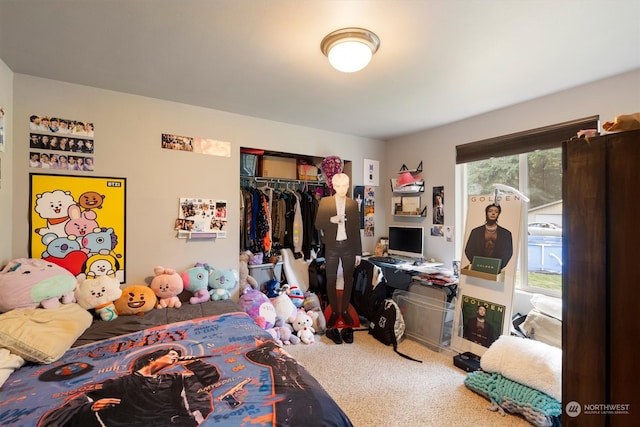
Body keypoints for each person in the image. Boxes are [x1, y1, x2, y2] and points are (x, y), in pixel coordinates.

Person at [39, 347, 220, 426]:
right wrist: (91, 408)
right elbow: (68, 412)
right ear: (153, 358)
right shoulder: (118, 384)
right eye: (171, 355)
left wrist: (195, 363)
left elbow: (210, 379)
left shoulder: (177, 379)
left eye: (176, 356)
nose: (175, 358)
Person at [314, 173, 362, 344]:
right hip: (332, 246)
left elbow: (356, 229)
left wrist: (358, 253)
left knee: (349, 279)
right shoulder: (326, 202)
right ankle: (334, 311)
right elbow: (318, 224)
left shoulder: (353, 204)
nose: (343, 189)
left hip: (349, 246)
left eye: (346, 186)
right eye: (340, 186)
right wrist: (332, 220)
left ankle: (345, 311)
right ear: (334, 186)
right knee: (331, 278)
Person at [464, 203, 513, 270]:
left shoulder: (506, 234)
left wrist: (499, 265)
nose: (493, 213)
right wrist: (476, 263)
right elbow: (469, 249)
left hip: (496, 267)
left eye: (496, 212)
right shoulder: (476, 232)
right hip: (478, 266)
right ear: (486, 213)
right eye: (490, 211)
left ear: (498, 214)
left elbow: (508, 252)